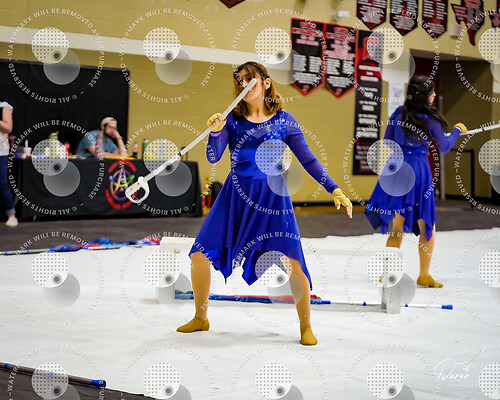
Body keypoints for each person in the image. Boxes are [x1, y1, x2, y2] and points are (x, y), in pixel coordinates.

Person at [176, 61, 352, 345]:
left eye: (251, 78)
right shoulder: (232, 120)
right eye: (240, 80)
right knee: (199, 254)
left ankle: (306, 326)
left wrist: (334, 188)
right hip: (235, 196)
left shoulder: (284, 120)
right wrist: (216, 132)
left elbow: (308, 159)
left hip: (272, 197)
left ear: (266, 82)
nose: (244, 83)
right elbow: (213, 157)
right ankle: (200, 317)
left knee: (294, 262)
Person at [364, 75, 467, 288]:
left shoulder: (398, 113)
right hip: (419, 170)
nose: (435, 95)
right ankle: (424, 274)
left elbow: (388, 141)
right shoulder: (431, 119)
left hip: (397, 168)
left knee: (397, 226)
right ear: (424, 96)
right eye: (432, 92)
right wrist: (457, 131)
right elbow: (445, 146)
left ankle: (389, 273)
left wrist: (408, 144)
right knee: (427, 224)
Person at [0, 101, 18, 227]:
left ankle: (12, 215)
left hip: (1, 152)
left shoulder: (3, 107)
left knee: (2, 183)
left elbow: (8, 128)